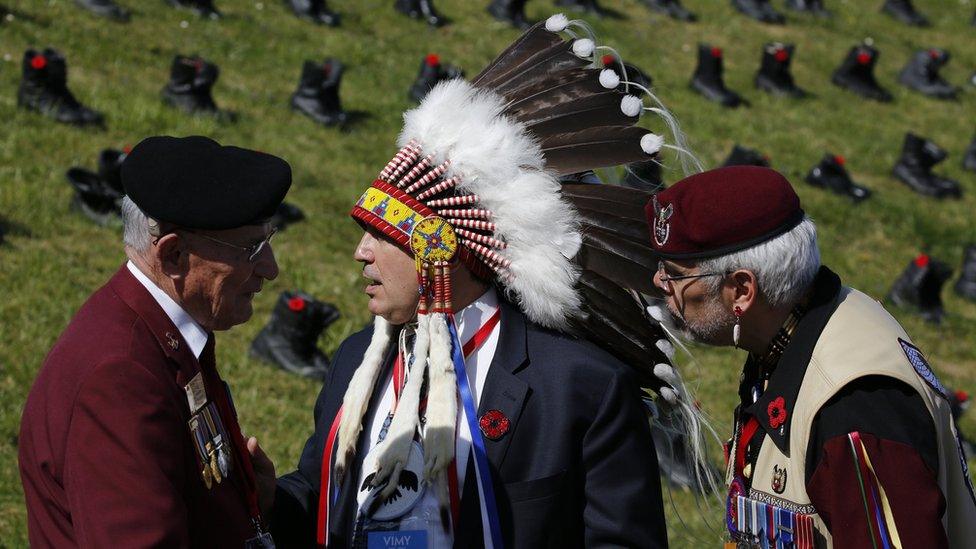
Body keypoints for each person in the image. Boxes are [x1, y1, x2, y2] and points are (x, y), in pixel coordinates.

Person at [270, 15, 697, 548]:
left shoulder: (581, 386)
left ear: (441, 249)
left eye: (383, 238)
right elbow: (318, 497)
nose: (361, 254)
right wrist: (262, 493)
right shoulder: (357, 360)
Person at [645, 165, 976, 548]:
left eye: (675, 274)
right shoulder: (788, 335)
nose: (660, 283)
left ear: (741, 290)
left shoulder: (854, 406)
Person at [19, 135, 287, 547]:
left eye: (269, 241)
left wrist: (248, 503)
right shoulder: (119, 377)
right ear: (173, 256)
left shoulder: (161, 330)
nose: (270, 268)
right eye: (251, 248)